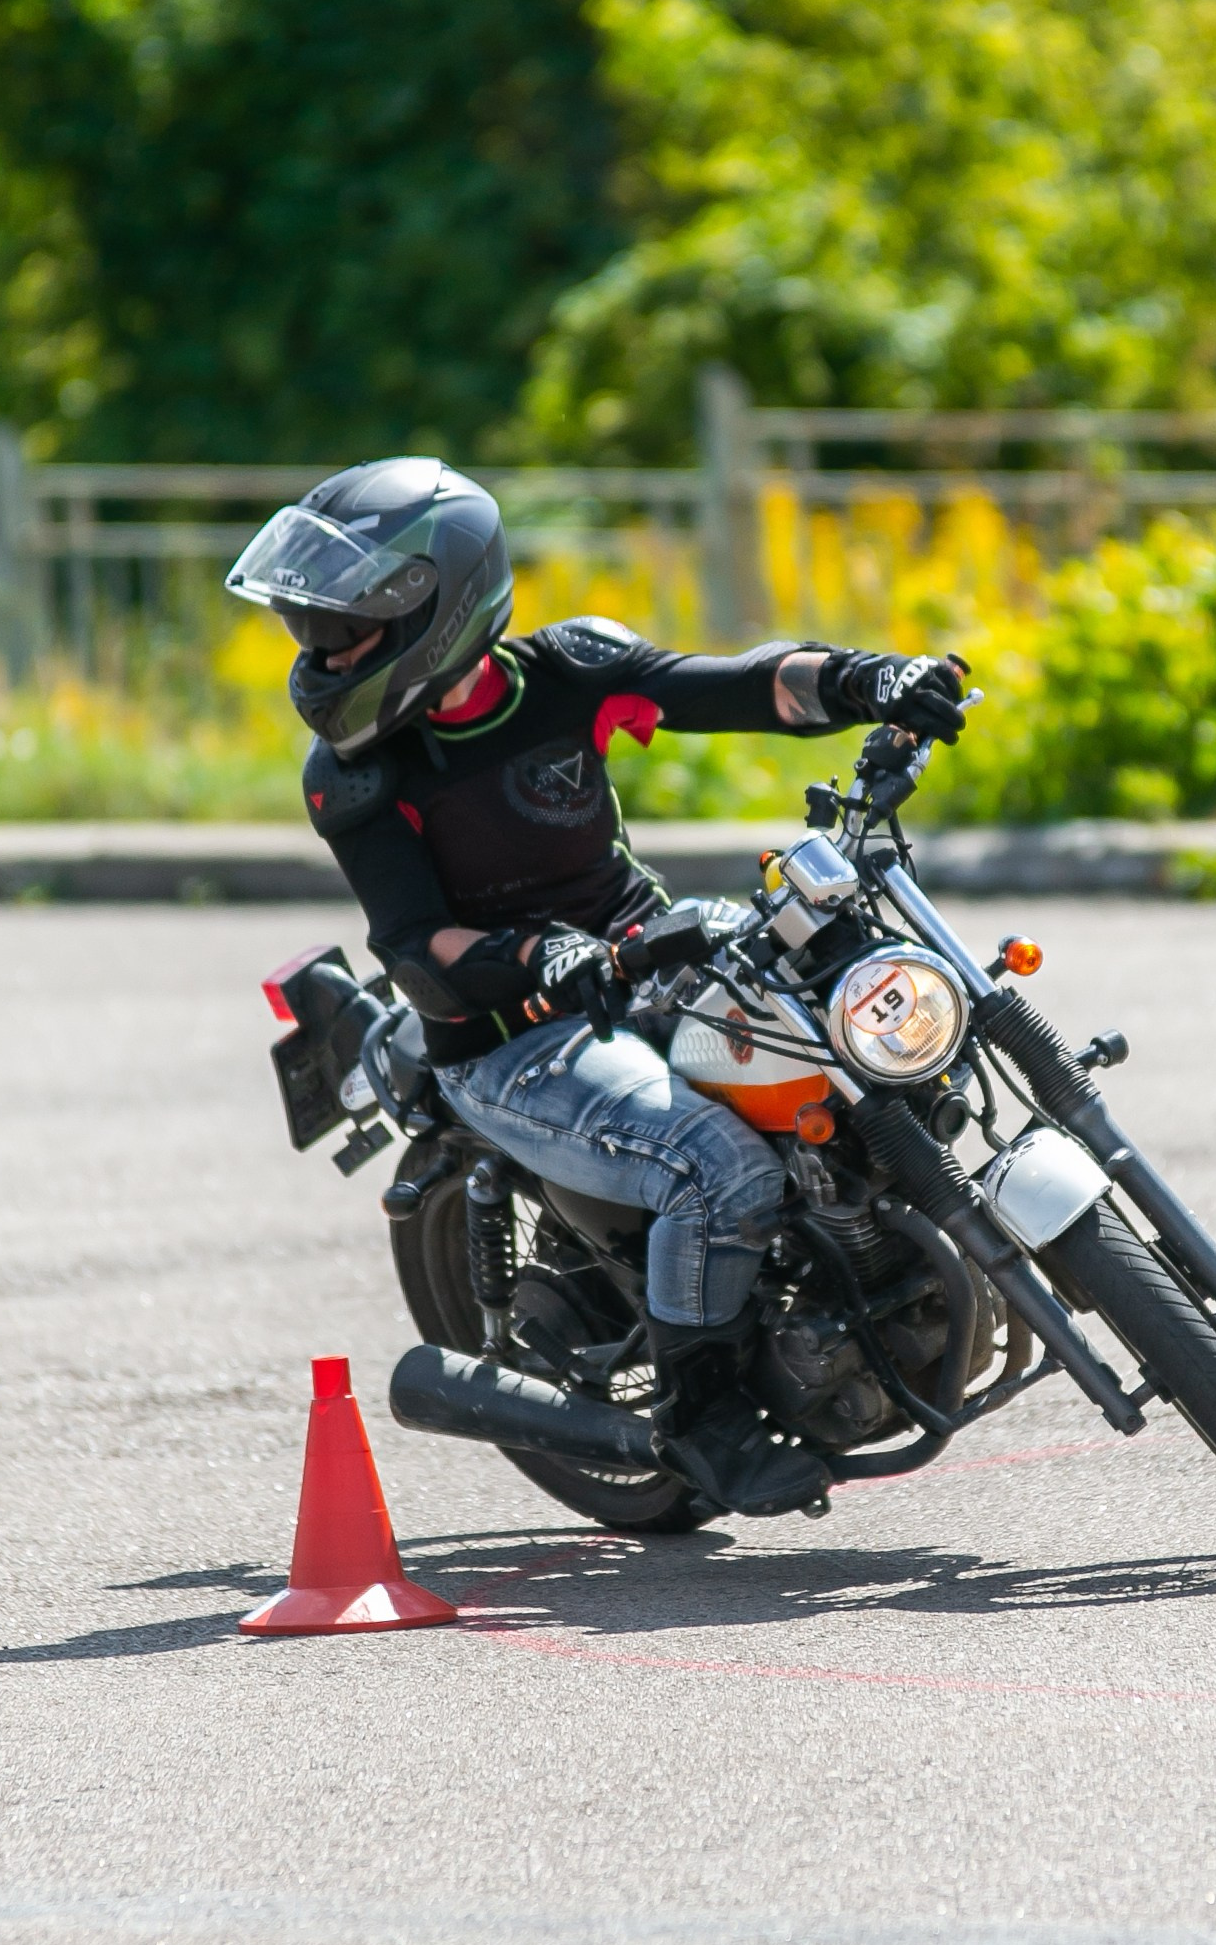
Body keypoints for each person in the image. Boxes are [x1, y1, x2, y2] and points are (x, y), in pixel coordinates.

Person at [227, 457, 968, 1512]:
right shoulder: (354, 776)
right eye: (307, 631)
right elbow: (414, 947)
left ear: (432, 608)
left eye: (337, 630)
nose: (316, 655)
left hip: (651, 961)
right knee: (715, 1166)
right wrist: (545, 958)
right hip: (504, 1039)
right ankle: (703, 1413)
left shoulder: (567, 671)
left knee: (853, 1026)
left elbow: (742, 685)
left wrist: (866, 678)